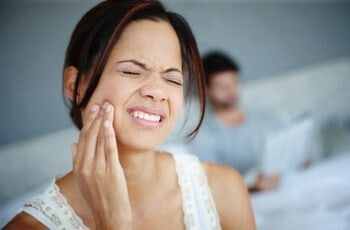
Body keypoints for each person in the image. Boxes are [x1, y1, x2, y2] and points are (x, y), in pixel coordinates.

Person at [5, 1, 255, 229]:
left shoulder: (224, 189)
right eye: (131, 72)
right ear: (75, 85)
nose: (158, 92)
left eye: (171, 78)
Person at [187, 51, 281, 192]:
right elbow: (213, 187)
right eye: (222, 87)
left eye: (234, 83)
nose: (231, 91)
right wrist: (255, 188)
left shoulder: (265, 118)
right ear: (207, 90)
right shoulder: (203, 135)